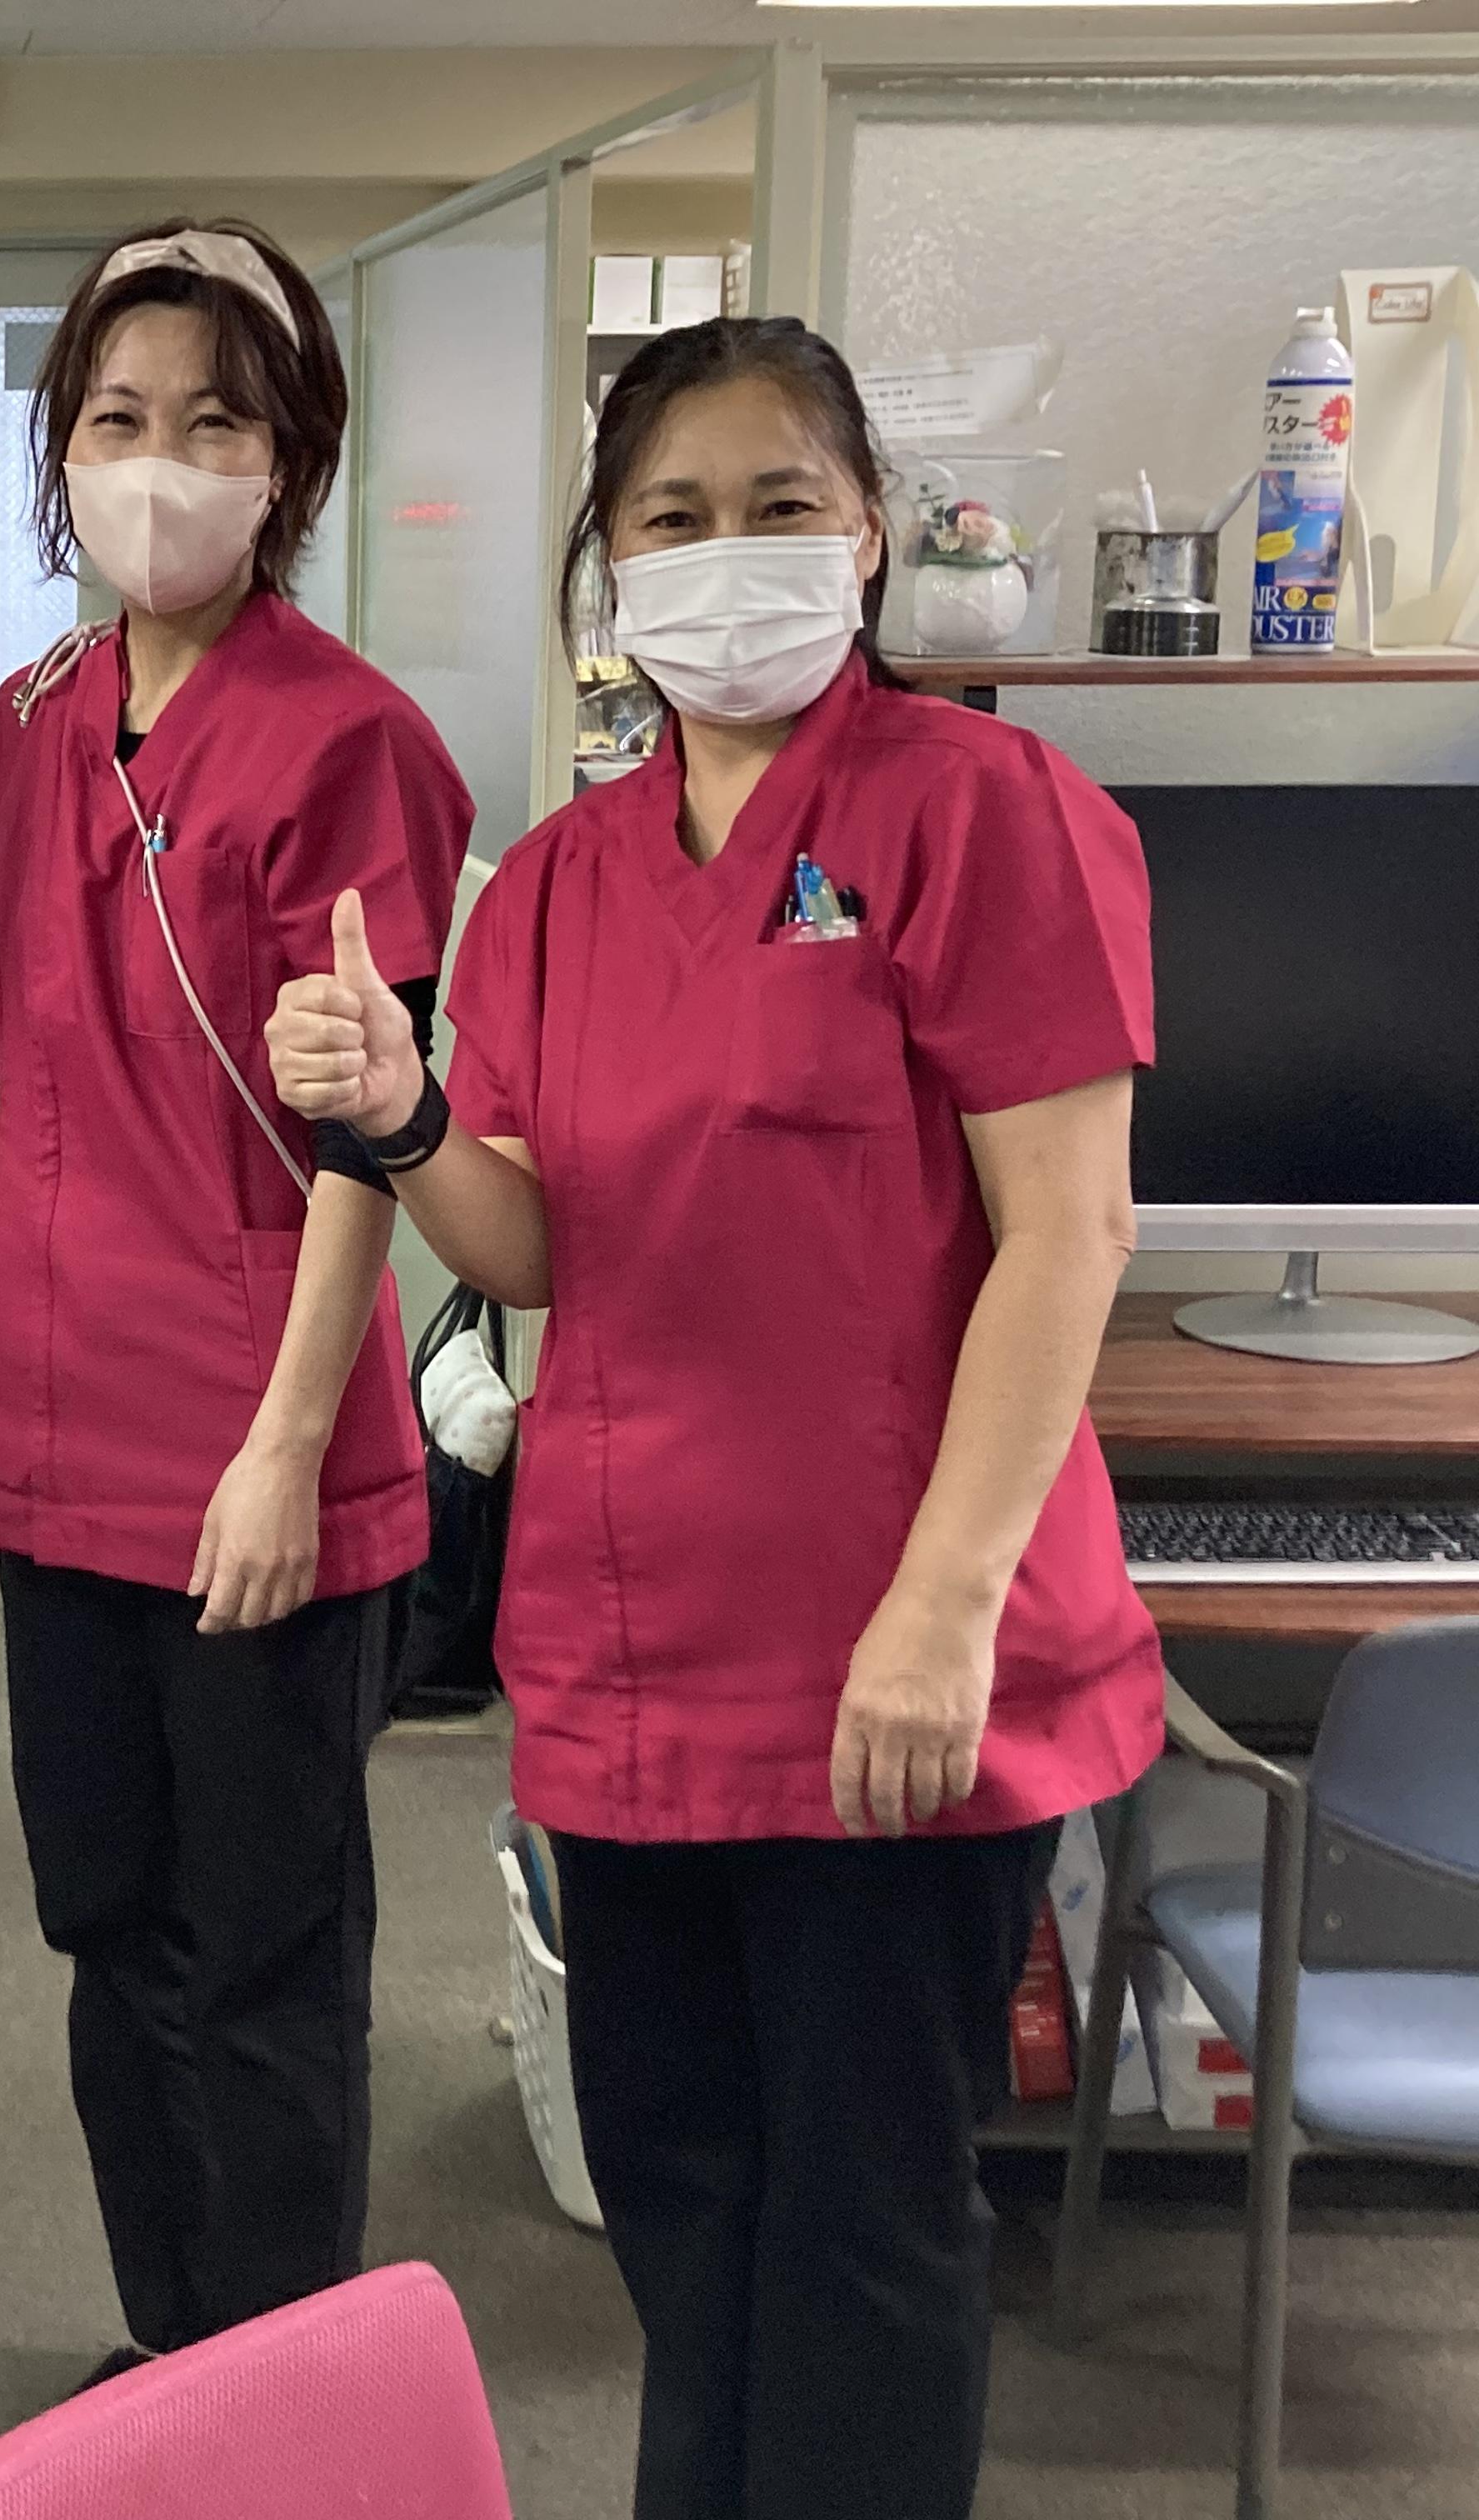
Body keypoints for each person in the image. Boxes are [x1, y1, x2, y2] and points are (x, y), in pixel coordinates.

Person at [267, 315, 1162, 2520]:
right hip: (637, 1653)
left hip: (893, 1665)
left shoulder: (984, 814)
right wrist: (402, 1119)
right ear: (611, 563)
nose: (725, 552)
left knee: (865, 2224)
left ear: (868, 536)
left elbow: (1070, 1235)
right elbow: (532, 1247)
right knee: (681, 2197)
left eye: (781, 505)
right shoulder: (566, 881)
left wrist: (943, 1608)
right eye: (672, 517)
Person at [0, 222, 471, 2387]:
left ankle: (282, 2411)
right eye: (118, 419)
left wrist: (285, 1448)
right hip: (53, 1426)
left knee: (263, 1962)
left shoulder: (354, 744)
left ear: (291, 462)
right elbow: (42, 1048)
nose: (160, 463)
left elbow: (364, 1135)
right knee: (110, 1931)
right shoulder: (36, 720)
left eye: (215, 423)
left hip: (261, 1439)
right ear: (61, 453)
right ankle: (175, 2367)